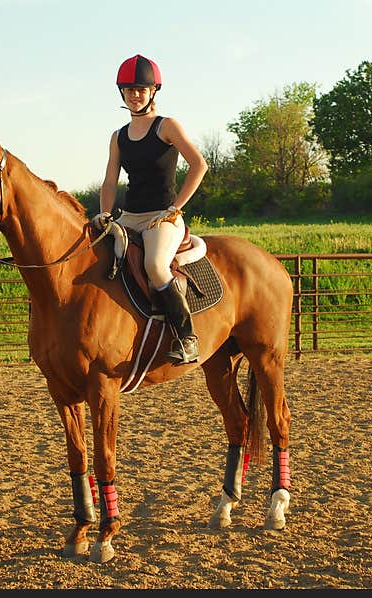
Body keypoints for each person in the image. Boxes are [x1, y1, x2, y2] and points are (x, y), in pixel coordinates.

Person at [93, 54, 209, 365]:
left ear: (153, 92)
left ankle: (187, 338)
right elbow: (109, 181)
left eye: (141, 89)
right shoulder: (118, 137)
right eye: (129, 90)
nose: (135, 95)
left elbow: (199, 165)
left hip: (162, 217)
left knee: (156, 266)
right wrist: (105, 213)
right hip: (129, 216)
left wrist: (175, 208)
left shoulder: (166, 126)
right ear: (122, 94)